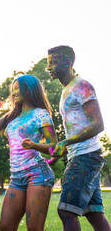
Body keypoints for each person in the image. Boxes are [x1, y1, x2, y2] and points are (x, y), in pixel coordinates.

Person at [0, 74, 57, 231]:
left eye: (17, 89)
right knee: (6, 226)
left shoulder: (41, 114)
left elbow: (54, 147)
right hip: (16, 177)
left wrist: (35, 145)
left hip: (37, 174)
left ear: (29, 90)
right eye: (12, 90)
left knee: (34, 228)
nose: (13, 94)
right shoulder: (12, 116)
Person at [47, 45, 111, 231]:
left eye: (54, 62)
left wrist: (67, 142)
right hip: (80, 155)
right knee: (94, 213)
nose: (50, 67)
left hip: (87, 156)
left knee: (66, 211)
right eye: (49, 63)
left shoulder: (81, 86)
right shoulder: (66, 90)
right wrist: (62, 149)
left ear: (69, 62)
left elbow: (98, 124)